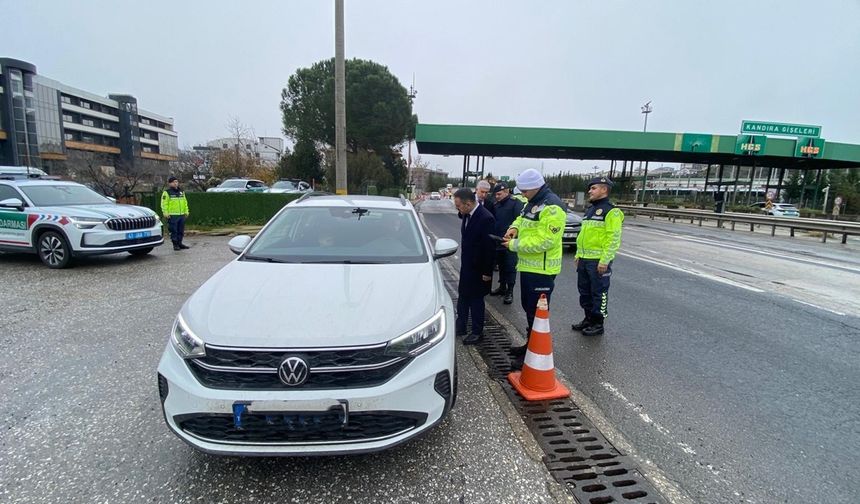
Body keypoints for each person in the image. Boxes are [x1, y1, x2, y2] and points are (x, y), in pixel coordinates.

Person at [502, 169, 566, 368]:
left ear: (534, 187)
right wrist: (514, 228)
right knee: (529, 310)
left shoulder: (552, 208)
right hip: (530, 268)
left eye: (524, 191)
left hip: (543, 271)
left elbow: (545, 241)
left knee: (537, 314)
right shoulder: (533, 202)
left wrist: (514, 245)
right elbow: (522, 219)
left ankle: (534, 357)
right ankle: (530, 346)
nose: (522, 194)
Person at [571, 177, 624, 337]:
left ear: (604, 189)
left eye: (593, 188)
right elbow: (583, 236)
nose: (589, 191)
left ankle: (598, 323)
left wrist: (605, 260)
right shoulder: (590, 210)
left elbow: (613, 238)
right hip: (585, 259)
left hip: (598, 261)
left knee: (598, 292)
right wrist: (579, 254)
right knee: (584, 291)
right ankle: (588, 319)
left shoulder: (611, 211)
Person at [453, 187, 496, 345]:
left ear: (469, 203)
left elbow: (489, 248)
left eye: (458, 205)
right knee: (463, 295)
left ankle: (477, 332)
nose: (457, 209)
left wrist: (487, 272)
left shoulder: (486, 218)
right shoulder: (467, 214)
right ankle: (461, 325)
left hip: (479, 268)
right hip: (467, 265)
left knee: (476, 300)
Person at [489, 181, 525, 304]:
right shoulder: (496, 205)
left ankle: (509, 291)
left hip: (510, 243)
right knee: (501, 266)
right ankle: (502, 287)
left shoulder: (516, 204)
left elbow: (520, 223)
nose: (497, 197)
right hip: (498, 241)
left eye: (499, 194)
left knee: (510, 267)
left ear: (506, 191)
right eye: (496, 195)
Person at [161, 176, 190, 251]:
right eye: (174, 182)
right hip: (173, 215)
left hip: (181, 215)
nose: (176, 183)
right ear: (170, 183)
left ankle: (180, 243)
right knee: (174, 231)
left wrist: (186, 211)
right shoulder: (167, 192)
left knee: (181, 230)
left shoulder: (181, 192)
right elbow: (164, 204)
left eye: (176, 182)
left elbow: (185, 202)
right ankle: (175, 244)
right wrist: (165, 213)